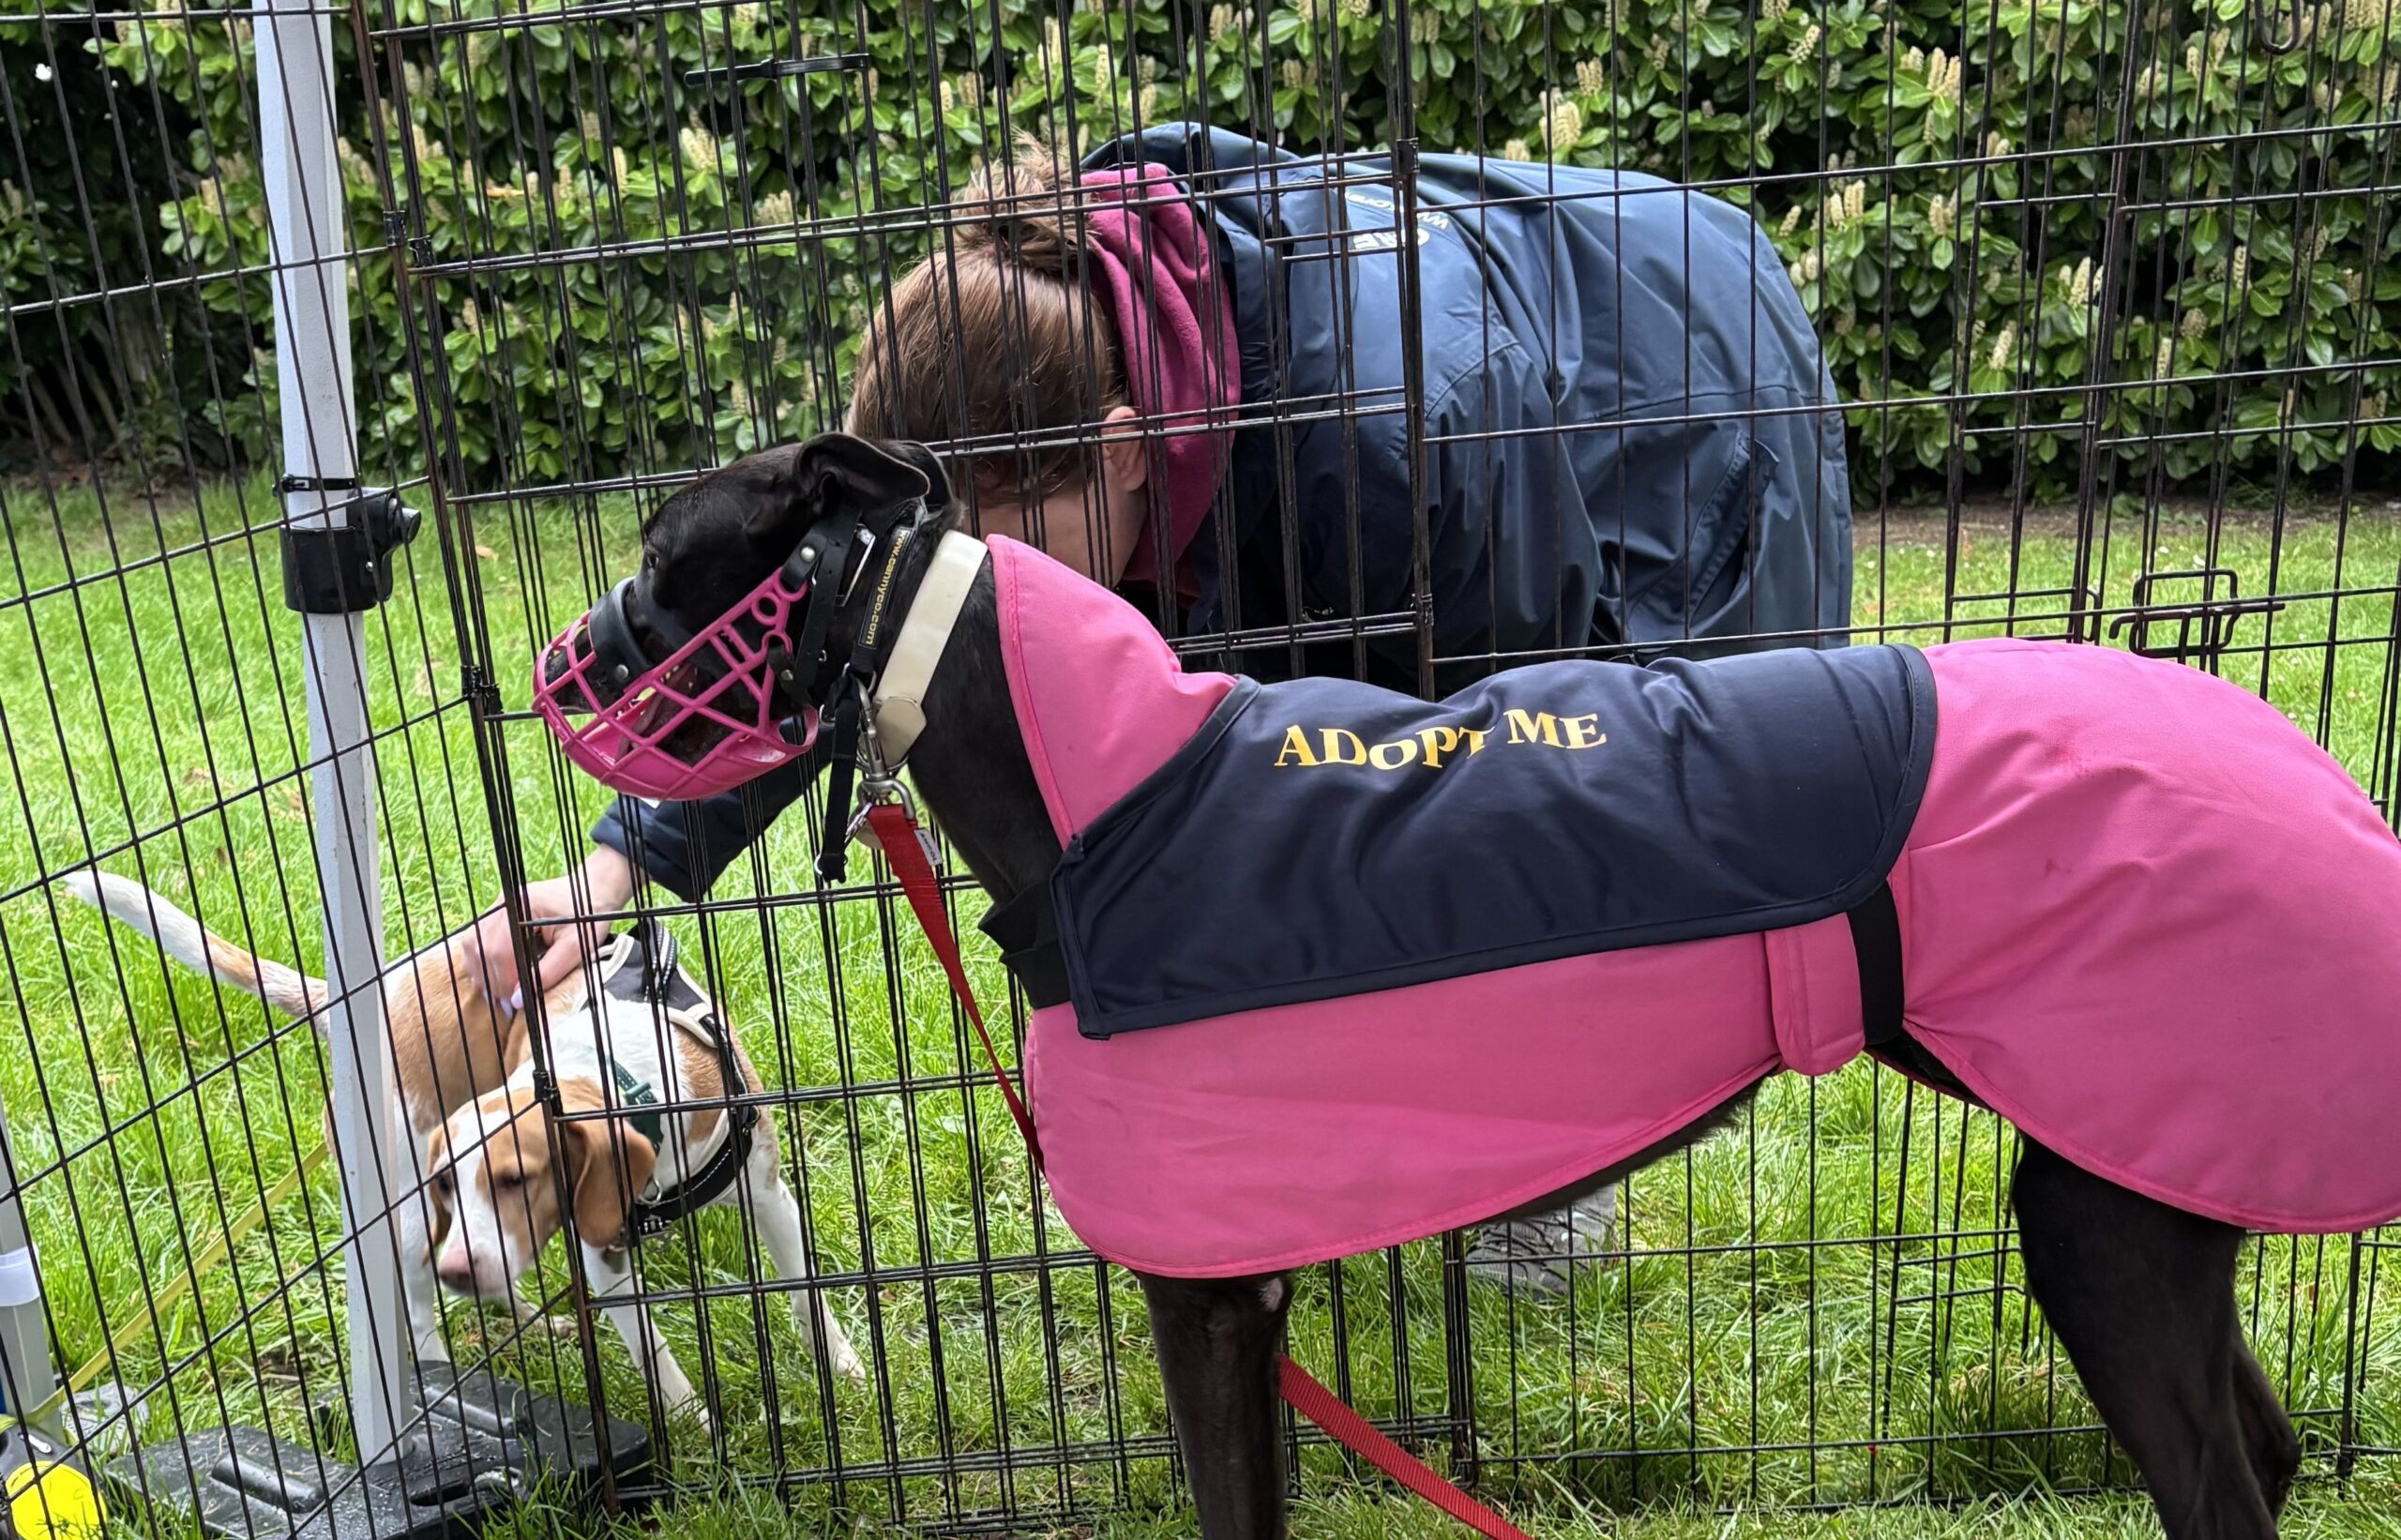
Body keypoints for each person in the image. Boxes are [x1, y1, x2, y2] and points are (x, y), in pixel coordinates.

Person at [469, 128, 1854, 1297]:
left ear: (1128, 454)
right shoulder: (1053, 346)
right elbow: (876, 626)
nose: (983, 595)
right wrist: (622, 863)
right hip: (1426, 401)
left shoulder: (1387, 453)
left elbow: (1546, 730)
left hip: (1677, 398)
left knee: (1512, 804)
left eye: (1008, 550)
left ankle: (1545, 1174)